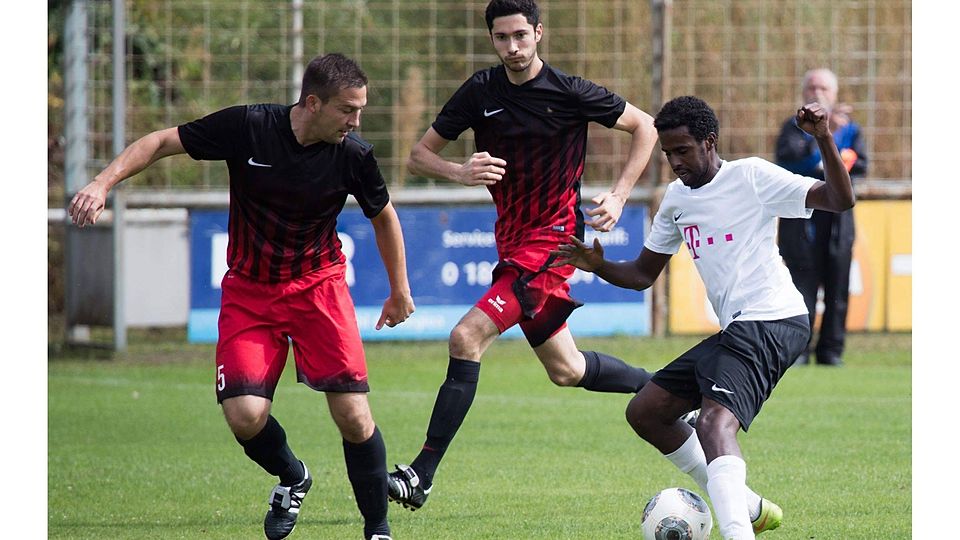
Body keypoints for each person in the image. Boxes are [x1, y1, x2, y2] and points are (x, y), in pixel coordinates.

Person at [68, 53, 414, 540]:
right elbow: (163, 141)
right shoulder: (249, 126)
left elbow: (384, 217)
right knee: (246, 417)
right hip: (251, 293)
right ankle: (293, 477)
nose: (356, 121)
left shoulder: (353, 155)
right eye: (347, 110)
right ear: (312, 103)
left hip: (319, 287)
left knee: (354, 416)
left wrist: (399, 289)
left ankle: (377, 529)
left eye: (360, 110)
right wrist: (103, 182)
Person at [386, 0, 659, 512]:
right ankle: (671, 393)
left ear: (538, 33)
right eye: (501, 38)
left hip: (554, 245)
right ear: (492, 39)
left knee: (465, 337)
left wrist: (621, 194)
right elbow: (419, 155)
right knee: (568, 369)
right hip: (513, 245)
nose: (512, 47)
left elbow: (646, 127)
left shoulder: (571, 92)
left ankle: (421, 474)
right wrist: (460, 172)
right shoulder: (479, 92)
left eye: (520, 35)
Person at [551, 96, 854, 538]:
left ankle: (736, 530)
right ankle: (746, 505)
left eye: (683, 151)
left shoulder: (750, 176)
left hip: (774, 319)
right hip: (739, 329)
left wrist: (824, 137)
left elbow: (839, 199)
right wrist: (598, 265)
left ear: (709, 142)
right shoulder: (676, 200)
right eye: (668, 153)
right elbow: (641, 274)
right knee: (647, 411)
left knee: (715, 422)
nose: (674, 162)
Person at [775, 68, 867, 366]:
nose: (817, 92)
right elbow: (790, 160)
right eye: (812, 87)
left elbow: (859, 166)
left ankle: (831, 351)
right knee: (801, 284)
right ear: (803, 92)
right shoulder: (792, 127)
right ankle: (799, 349)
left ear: (835, 94)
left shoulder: (851, 129)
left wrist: (835, 136)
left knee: (837, 285)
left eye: (824, 88)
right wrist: (827, 138)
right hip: (801, 217)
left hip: (837, 221)